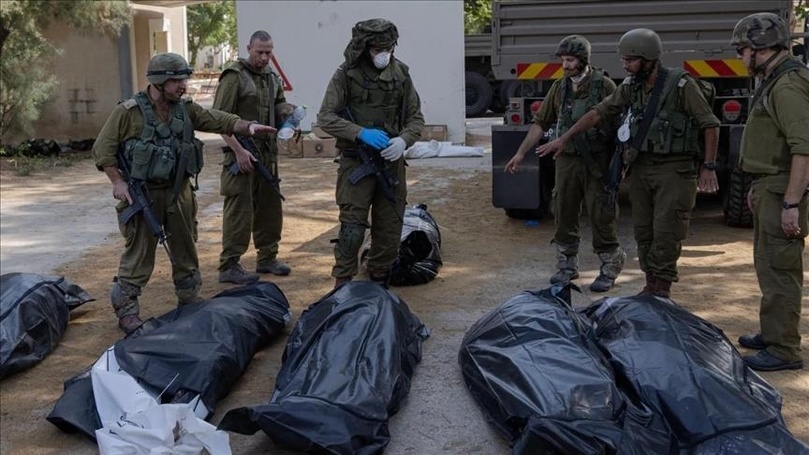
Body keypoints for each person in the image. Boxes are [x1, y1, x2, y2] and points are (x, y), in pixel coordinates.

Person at [93, 52, 276, 334]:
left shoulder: (185, 109)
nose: (183, 85)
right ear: (159, 81)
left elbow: (217, 119)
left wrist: (247, 126)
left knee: (186, 247)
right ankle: (127, 310)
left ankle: (189, 299)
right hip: (144, 196)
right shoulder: (128, 113)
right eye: (176, 80)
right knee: (139, 253)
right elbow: (103, 151)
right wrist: (118, 182)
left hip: (179, 193)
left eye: (184, 79)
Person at [537, 28, 720, 298]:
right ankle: (650, 286)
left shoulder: (680, 85)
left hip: (675, 169)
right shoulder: (631, 86)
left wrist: (709, 167)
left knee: (667, 232)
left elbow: (711, 124)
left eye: (630, 60)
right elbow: (599, 112)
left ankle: (662, 290)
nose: (625, 65)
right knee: (644, 231)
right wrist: (564, 138)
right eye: (624, 60)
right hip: (642, 167)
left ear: (648, 59)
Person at [506, 35, 626, 292]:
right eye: (563, 60)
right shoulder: (559, 88)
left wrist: (622, 160)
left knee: (600, 212)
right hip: (567, 161)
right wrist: (520, 153)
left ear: (583, 60)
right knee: (563, 209)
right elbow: (541, 122)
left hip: (597, 161)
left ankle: (610, 264)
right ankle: (567, 265)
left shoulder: (603, 85)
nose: (566, 65)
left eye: (570, 60)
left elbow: (620, 123)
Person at [317, 18, 425, 288]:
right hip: (357, 162)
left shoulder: (401, 74)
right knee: (352, 227)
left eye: (388, 48)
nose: (383, 54)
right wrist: (359, 132)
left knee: (390, 227)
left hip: (391, 163)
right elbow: (326, 118)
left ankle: (379, 279)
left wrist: (403, 140)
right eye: (377, 49)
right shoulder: (346, 75)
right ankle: (342, 282)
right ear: (364, 48)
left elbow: (416, 118)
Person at [730, 13, 808, 372]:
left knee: (780, 269)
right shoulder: (774, 78)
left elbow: (803, 146)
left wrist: (791, 201)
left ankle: (784, 349)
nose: (739, 57)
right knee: (768, 265)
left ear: (759, 48)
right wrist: (757, 187)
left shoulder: (788, 84)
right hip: (770, 186)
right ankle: (774, 332)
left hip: (782, 189)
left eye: (742, 49)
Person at [213, 30, 294, 285]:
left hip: (267, 153)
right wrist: (238, 150)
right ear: (249, 48)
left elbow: (279, 104)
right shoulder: (234, 77)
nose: (264, 57)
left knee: (270, 208)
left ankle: (267, 257)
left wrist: (291, 118)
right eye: (259, 52)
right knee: (240, 210)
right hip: (240, 153)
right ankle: (229, 264)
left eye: (268, 52)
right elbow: (218, 119)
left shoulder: (271, 76)